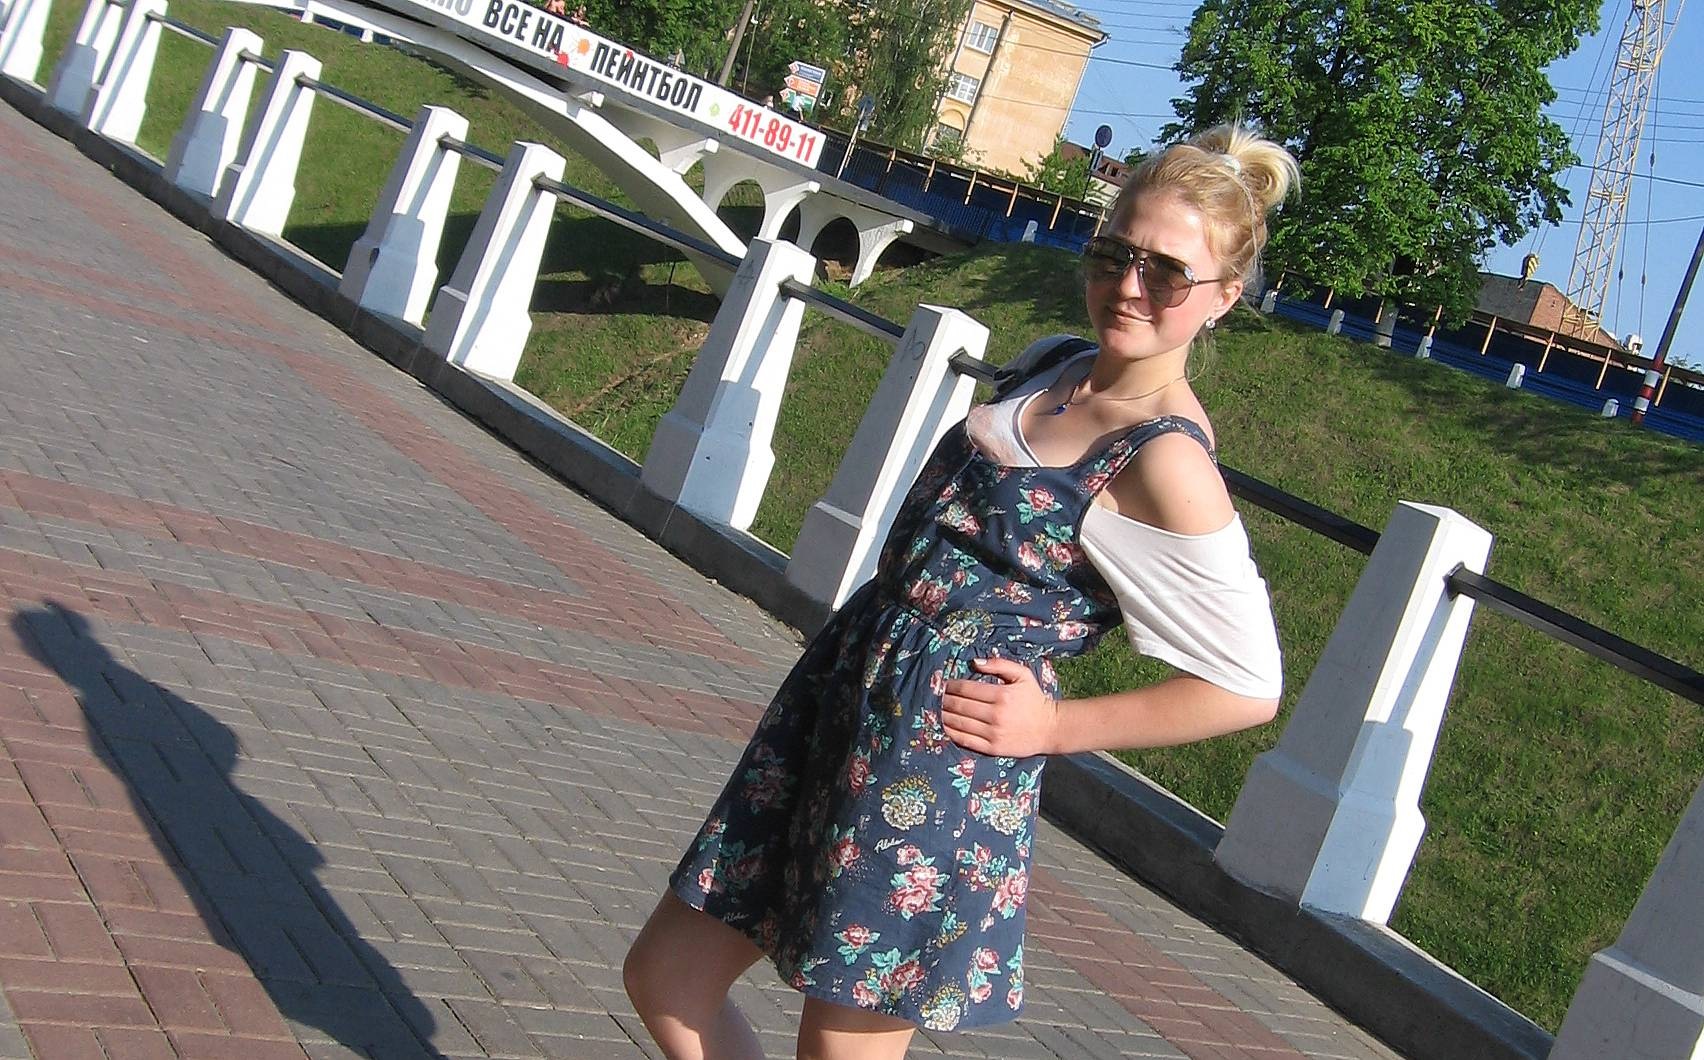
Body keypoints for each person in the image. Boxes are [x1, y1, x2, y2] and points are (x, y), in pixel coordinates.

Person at [624, 123, 1299, 1060]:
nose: (1130, 286)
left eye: (1168, 273)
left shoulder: (1165, 461)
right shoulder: (1053, 362)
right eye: (1115, 254)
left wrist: (1055, 727)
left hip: (937, 768)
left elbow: (1246, 686)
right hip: (840, 704)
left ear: (1223, 296)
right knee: (668, 975)